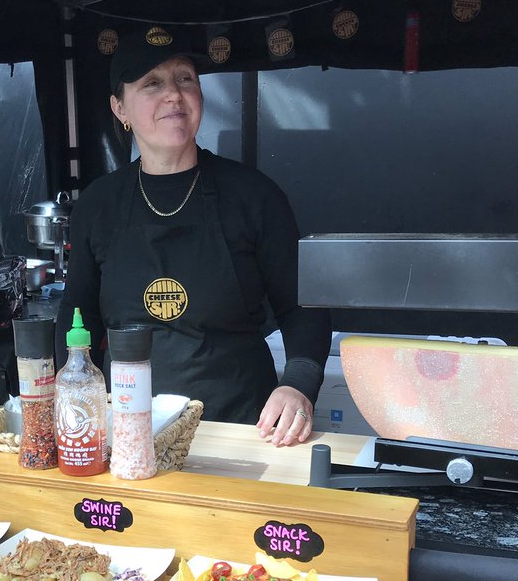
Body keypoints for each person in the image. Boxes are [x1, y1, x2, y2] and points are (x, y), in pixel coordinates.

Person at [56, 25, 331, 445]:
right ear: (120, 109)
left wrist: (298, 384)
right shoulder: (98, 205)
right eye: (152, 83)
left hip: (240, 428)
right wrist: (69, 396)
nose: (173, 94)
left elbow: (303, 306)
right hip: (128, 429)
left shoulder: (254, 196)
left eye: (185, 78)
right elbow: (79, 315)